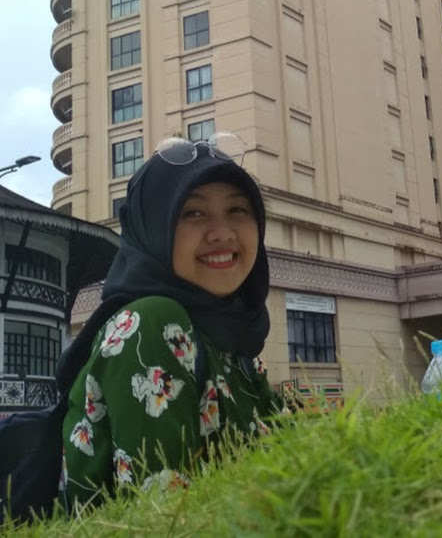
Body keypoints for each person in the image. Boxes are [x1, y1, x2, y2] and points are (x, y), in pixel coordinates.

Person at [58, 134, 283, 508]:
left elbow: (296, 451)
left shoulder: (233, 341)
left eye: (237, 210)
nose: (223, 233)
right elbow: (166, 514)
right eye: (193, 213)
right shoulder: (152, 323)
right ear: (152, 228)